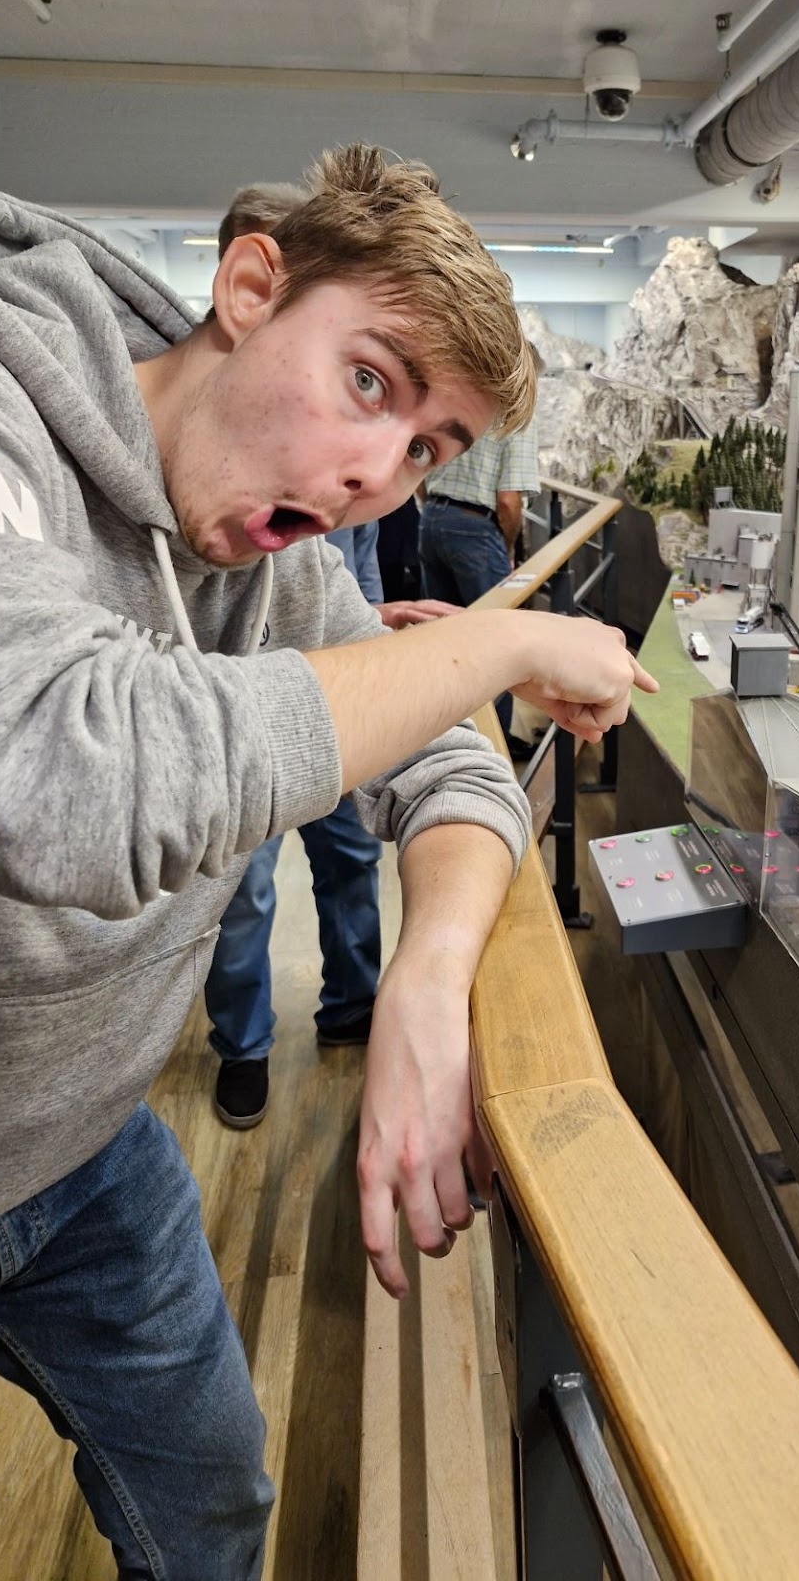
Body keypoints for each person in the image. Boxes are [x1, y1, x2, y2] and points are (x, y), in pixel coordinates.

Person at [0, 142, 656, 1576]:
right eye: (369, 381)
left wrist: (426, 976)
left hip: (76, 1151)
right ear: (250, 287)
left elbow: (455, 764)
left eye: (425, 451)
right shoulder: (5, 423)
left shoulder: (274, 565)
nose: (370, 479)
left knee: (214, 1496)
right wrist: (503, 643)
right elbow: (59, 771)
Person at [203, 186, 456, 1130]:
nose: (373, 472)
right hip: (246, 702)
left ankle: (353, 1004)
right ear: (244, 284)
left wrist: (375, 624)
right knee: (243, 886)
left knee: (349, 852)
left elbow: (337, 575)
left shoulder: (346, 483)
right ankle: (243, 1047)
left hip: (329, 681)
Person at [418, 346, 544, 750]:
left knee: (447, 641)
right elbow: (509, 501)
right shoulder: (515, 416)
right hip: (476, 530)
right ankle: (495, 747)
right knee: (496, 644)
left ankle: (450, 743)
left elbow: (421, 471)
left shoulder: (464, 401)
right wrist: (506, 548)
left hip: (432, 521)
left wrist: (435, 511)